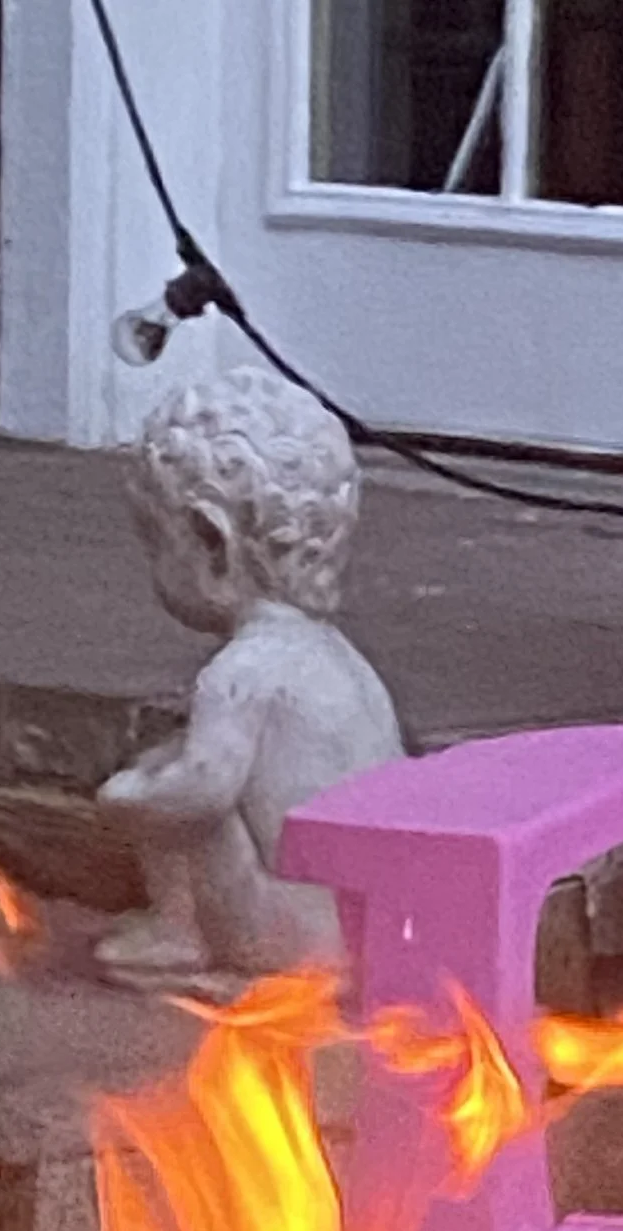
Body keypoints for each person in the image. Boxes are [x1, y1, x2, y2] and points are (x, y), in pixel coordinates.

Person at [95, 366, 405, 985]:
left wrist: (124, 798)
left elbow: (202, 791)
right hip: (370, 927)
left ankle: (184, 935)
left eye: (156, 542)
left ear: (212, 543)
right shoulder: (342, 661)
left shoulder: (240, 674)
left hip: (293, 939)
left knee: (188, 800)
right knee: (179, 760)